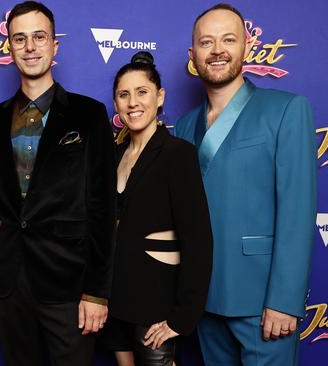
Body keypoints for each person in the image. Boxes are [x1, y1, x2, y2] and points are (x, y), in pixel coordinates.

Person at [0, 2, 116, 365]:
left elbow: (102, 206)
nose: (30, 47)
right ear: (10, 49)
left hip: (69, 282)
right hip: (10, 283)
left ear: (55, 46)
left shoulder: (89, 114)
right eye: (20, 39)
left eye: (39, 37)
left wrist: (97, 293)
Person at [175, 4, 317, 365]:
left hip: (261, 301)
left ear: (247, 46)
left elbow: (297, 213)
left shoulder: (286, 110)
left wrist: (284, 301)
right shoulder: (184, 126)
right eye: (206, 42)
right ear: (193, 56)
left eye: (228, 39)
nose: (217, 50)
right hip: (204, 297)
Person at [103, 51, 213, 366]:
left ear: (160, 97)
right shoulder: (113, 155)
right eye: (124, 95)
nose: (132, 102)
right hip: (115, 301)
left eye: (142, 92)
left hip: (156, 306)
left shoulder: (178, 155)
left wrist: (182, 317)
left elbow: (198, 241)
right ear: (116, 104)